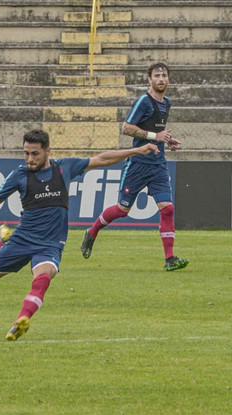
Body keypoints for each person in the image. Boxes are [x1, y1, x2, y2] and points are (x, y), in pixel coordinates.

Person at [0, 130, 158, 341]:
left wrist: (137, 150)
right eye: (26, 153)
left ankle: (22, 320)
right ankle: (0, 242)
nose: (30, 159)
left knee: (43, 276)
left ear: (48, 151)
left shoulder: (64, 167)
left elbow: (102, 158)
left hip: (50, 244)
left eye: (35, 154)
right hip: (22, 239)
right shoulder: (19, 176)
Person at [80, 62, 188, 271]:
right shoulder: (143, 101)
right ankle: (92, 232)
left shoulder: (167, 102)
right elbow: (127, 128)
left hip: (158, 164)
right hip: (138, 164)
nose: (161, 79)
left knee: (168, 209)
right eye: (156, 75)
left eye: (164, 75)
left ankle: (170, 259)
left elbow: (156, 130)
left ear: (168, 79)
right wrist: (154, 136)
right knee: (122, 210)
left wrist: (167, 140)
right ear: (149, 79)